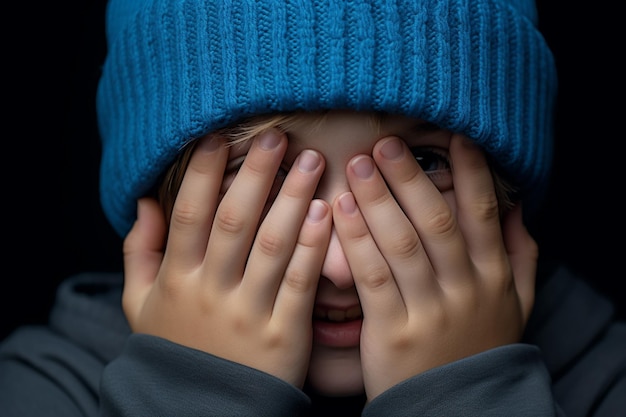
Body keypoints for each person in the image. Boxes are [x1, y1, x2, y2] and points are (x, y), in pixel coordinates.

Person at [1, 0, 624, 416]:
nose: (340, 269)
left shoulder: (605, 382)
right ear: (161, 207)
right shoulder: (39, 390)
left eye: (422, 165)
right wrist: (195, 390)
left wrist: (469, 394)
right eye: (259, 178)